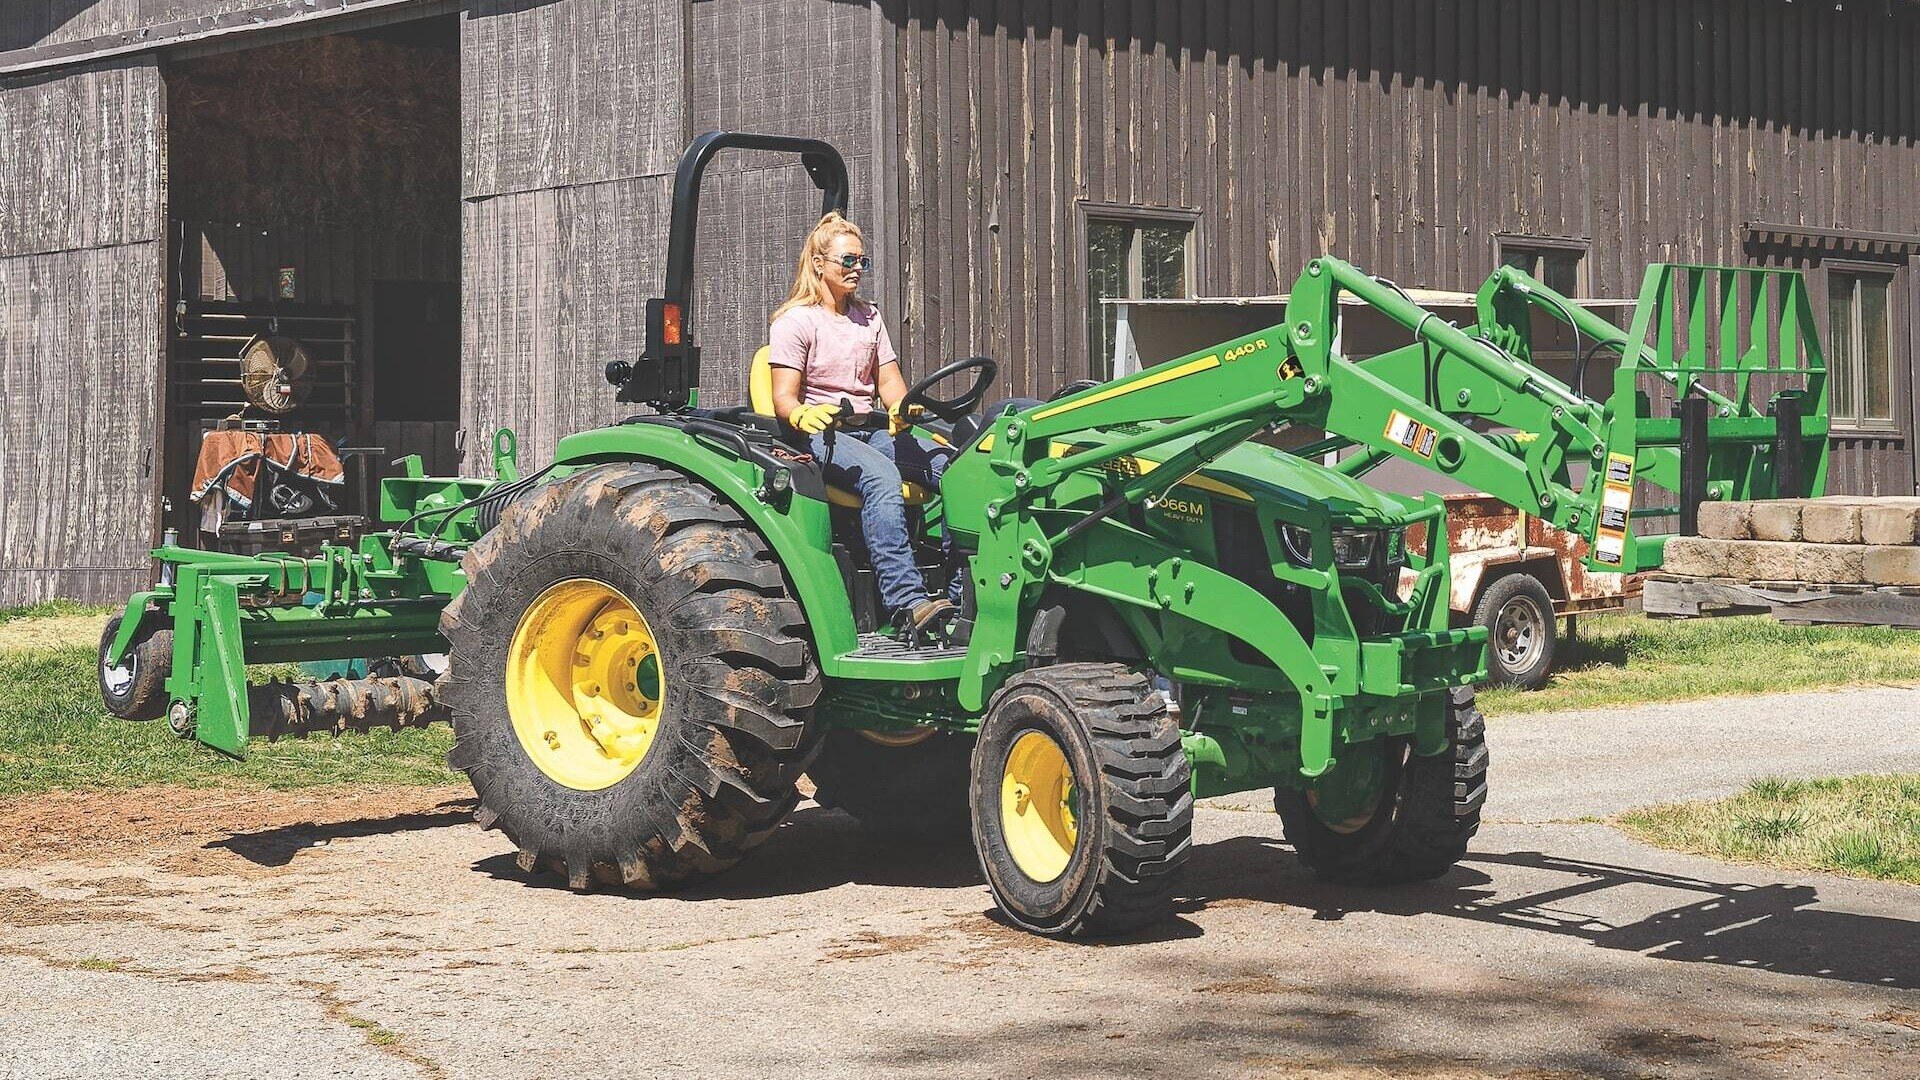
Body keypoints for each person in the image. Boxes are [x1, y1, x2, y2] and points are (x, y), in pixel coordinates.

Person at [768, 211, 958, 636]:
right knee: (882, 480)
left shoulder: (869, 317)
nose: (856, 270)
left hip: (873, 427)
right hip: (823, 432)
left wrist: (903, 408)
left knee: (958, 469)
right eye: (847, 262)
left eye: (862, 262)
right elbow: (783, 397)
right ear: (819, 264)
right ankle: (908, 602)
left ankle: (960, 596)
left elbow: (889, 381)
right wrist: (801, 413)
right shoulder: (796, 322)